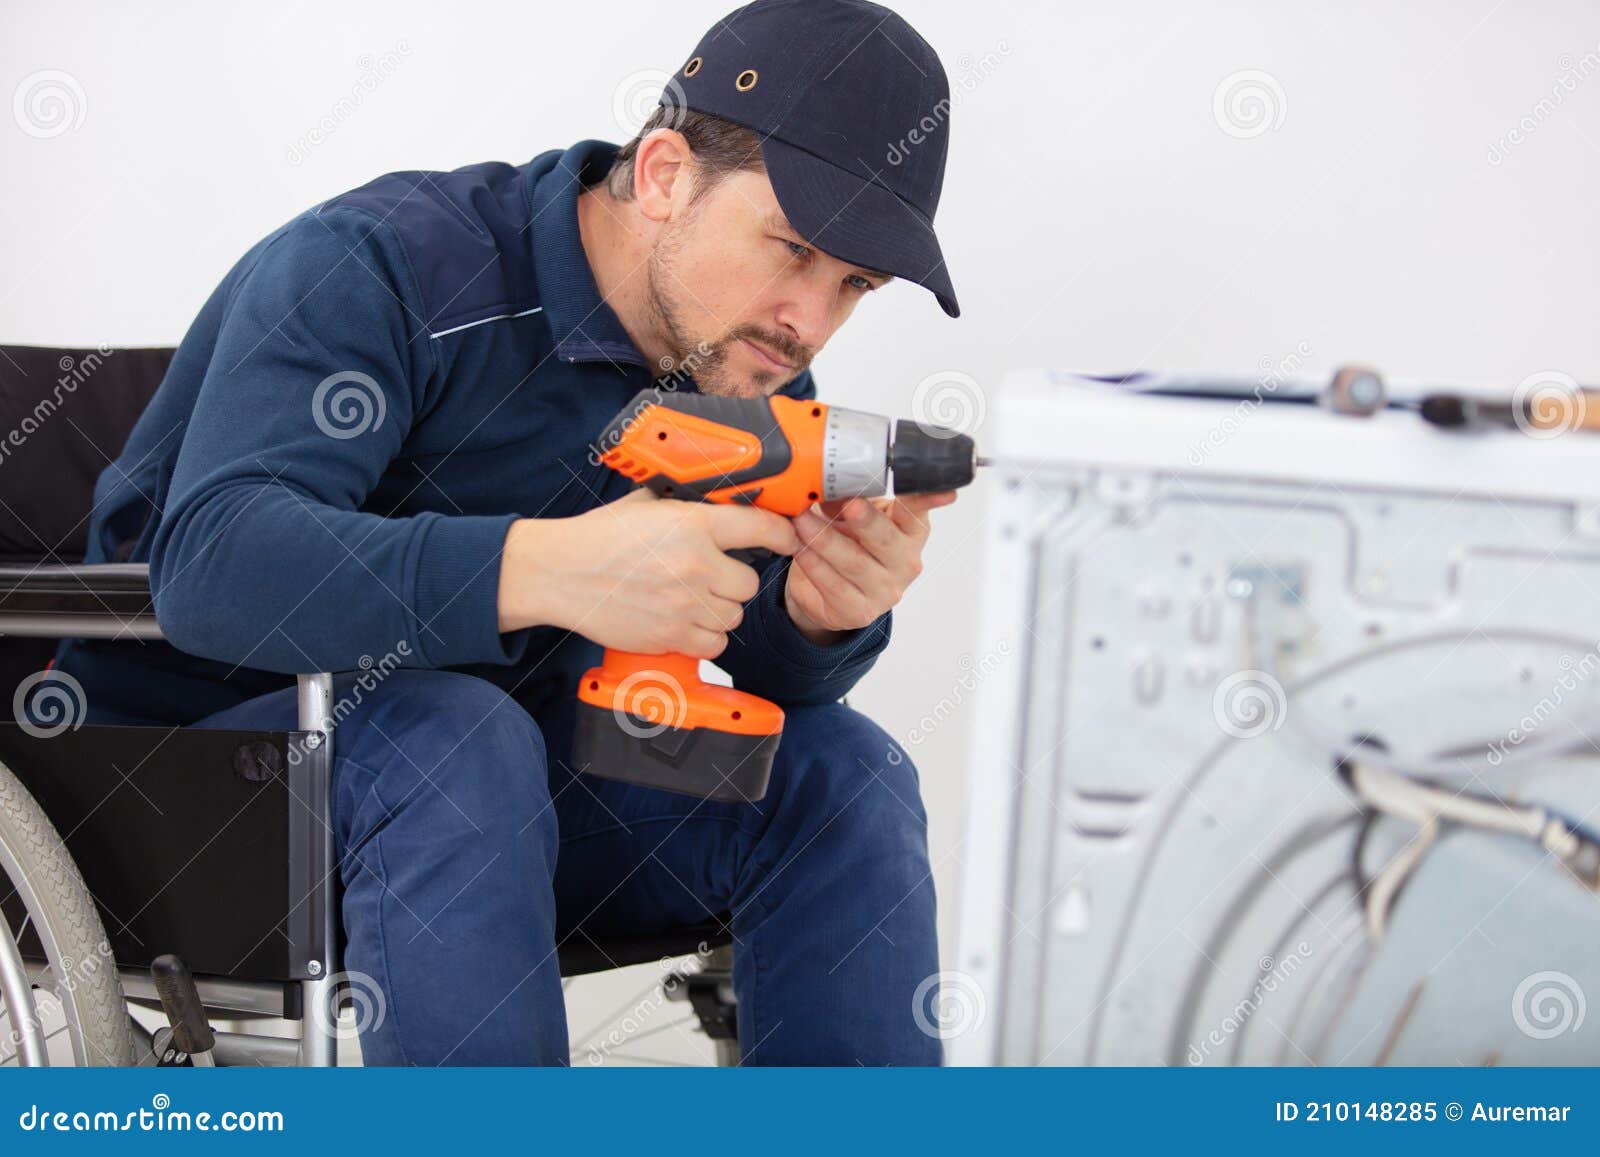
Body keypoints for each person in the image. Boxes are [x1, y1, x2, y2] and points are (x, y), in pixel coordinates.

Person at [52, 0, 961, 1065]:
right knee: (454, 732)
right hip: (195, 800)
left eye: (852, 284)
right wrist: (538, 568)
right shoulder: (381, 265)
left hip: (508, 798)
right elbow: (214, 564)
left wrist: (814, 618)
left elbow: (743, 649)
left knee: (842, 775)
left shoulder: (742, 366)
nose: (808, 321)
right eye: (793, 248)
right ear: (664, 175)